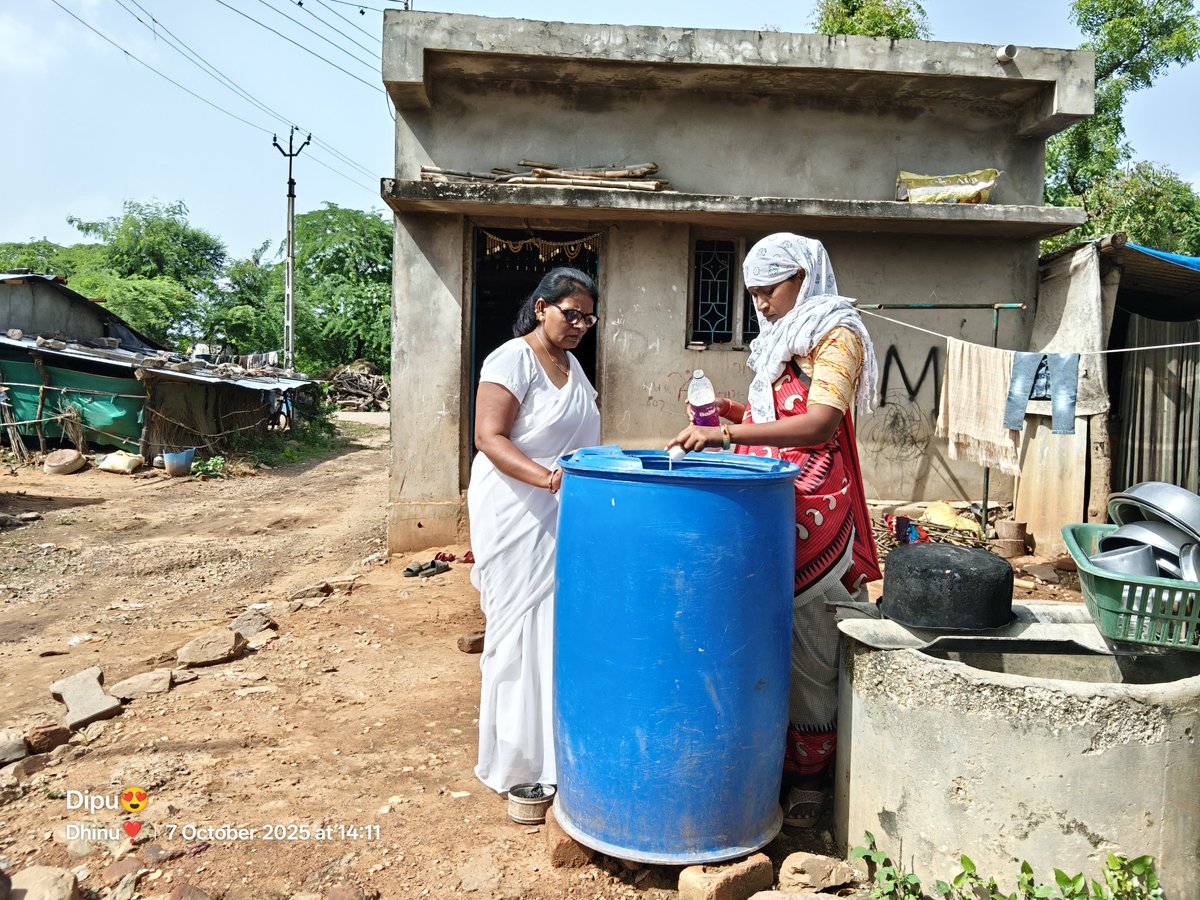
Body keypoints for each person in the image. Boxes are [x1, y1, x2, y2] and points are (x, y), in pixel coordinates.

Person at [668, 233, 882, 827]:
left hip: (819, 507)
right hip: (772, 503)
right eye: (754, 293)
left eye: (771, 290)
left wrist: (727, 437)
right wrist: (736, 413)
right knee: (764, 639)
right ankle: (765, 763)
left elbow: (816, 425)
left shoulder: (837, 335)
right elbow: (777, 417)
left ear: (804, 278)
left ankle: (810, 776)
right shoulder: (778, 341)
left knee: (815, 645)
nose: (760, 304)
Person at [468, 266, 601, 793]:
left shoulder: (572, 365)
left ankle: (553, 756)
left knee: (553, 626)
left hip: (560, 506)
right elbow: (489, 437)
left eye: (587, 319)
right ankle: (515, 762)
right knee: (516, 627)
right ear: (542, 306)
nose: (578, 326)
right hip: (516, 504)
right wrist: (548, 479)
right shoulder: (511, 358)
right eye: (570, 314)